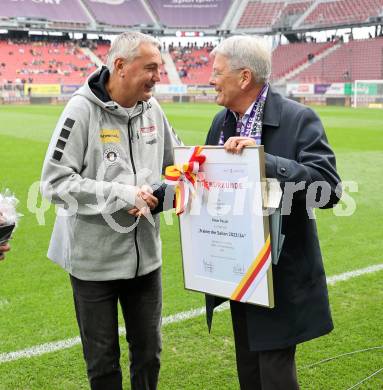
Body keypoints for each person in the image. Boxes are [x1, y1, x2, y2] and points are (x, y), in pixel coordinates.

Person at [204, 35, 342, 390]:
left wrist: (267, 162)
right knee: (249, 373)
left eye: (217, 72)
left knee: (275, 376)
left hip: (281, 277)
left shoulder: (299, 119)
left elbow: (328, 190)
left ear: (244, 77)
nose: (210, 79)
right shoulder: (222, 122)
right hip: (240, 270)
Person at [41, 32, 176, 390]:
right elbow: (54, 184)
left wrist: (162, 193)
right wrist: (121, 194)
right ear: (120, 66)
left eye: (160, 68)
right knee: (102, 363)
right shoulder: (80, 110)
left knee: (149, 354)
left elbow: (177, 167)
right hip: (92, 265)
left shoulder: (154, 110)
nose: (158, 76)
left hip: (145, 261)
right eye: (150, 68)